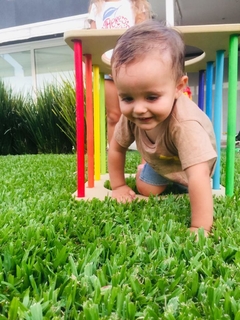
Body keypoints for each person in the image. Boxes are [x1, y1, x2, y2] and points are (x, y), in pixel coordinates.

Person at [108, 20, 217, 236]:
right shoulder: (131, 115)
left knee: (195, 188)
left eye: (152, 97)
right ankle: (145, 170)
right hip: (162, 164)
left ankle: (157, 174)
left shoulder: (185, 125)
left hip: (195, 169)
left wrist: (200, 227)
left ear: (178, 87)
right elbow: (116, 148)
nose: (139, 109)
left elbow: (198, 174)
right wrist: (119, 186)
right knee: (146, 190)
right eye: (127, 98)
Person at [88, 0, 152, 143]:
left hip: (132, 67)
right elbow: (94, 41)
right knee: (113, 116)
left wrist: (126, 63)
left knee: (142, 113)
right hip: (107, 67)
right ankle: (114, 159)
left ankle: (146, 162)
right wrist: (108, 63)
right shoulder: (97, 7)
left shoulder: (135, 4)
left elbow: (142, 37)